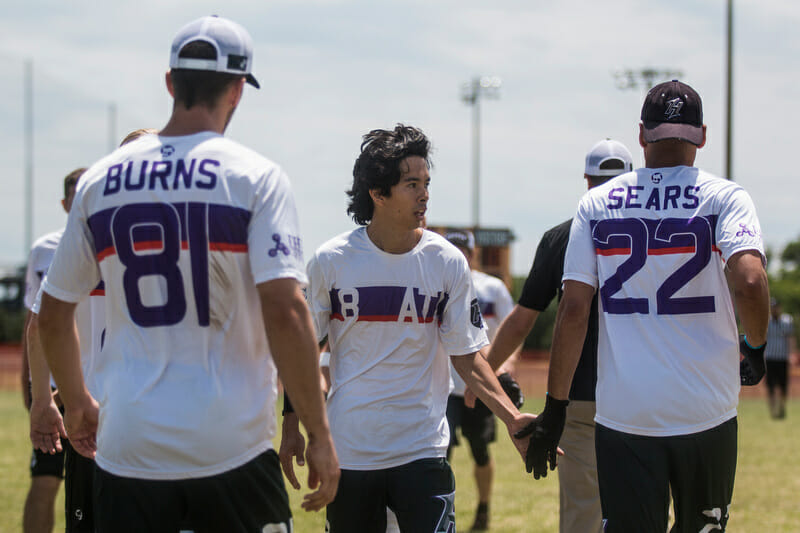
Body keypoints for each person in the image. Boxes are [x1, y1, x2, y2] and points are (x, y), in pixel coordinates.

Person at [36, 15, 338, 532]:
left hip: (127, 440)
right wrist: (319, 432)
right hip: (230, 443)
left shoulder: (100, 181)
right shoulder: (255, 178)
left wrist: (78, 398)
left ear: (171, 82)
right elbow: (286, 312)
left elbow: (54, 310)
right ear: (239, 90)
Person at [518, 80, 770, 532]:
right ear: (703, 136)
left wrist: (555, 409)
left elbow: (574, 310)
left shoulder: (596, 204)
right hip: (705, 410)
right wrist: (754, 345)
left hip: (625, 415)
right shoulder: (726, 197)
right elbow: (750, 281)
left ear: (641, 135)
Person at [295, 124, 533, 532]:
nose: (424, 194)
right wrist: (294, 428)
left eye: (426, 182)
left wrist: (512, 418)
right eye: (411, 184)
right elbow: (304, 353)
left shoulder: (446, 261)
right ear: (378, 193)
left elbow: (467, 356)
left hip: (422, 450)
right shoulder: (330, 261)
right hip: (351, 453)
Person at [485, 138, 633, 533]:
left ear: (587, 180)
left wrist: (483, 370)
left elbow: (522, 318)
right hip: (644, 391)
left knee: (584, 513)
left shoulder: (562, 237)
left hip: (580, 396)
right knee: (645, 507)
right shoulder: (654, 234)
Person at [27, 129, 158, 533]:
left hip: (90, 417)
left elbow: (42, 324)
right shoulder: (190, 234)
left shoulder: (82, 235)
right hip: (163, 418)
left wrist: (43, 400)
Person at [443, 229, 522, 531]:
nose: (459, 254)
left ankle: (483, 508)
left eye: (463, 249)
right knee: (439, 451)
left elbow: (510, 330)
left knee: (480, 450)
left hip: (480, 383)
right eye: (453, 248)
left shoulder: (493, 288)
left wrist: (504, 369)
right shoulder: (437, 283)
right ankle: (442, 507)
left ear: (473, 253)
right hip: (446, 386)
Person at [20, 167, 84, 533]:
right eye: (76, 198)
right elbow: (36, 320)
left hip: (94, 390)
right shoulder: (45, 249)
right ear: (64, 203)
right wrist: (35, 392)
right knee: (45, 482)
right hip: (57, 392)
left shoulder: (113, 245)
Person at [765, 297, 795, 419]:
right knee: (770, 386)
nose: (774, 309)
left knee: (783, 385)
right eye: (772, 307)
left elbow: (791, 339)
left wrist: (791, 354)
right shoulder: (766, 321)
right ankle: (773, 412)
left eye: (776, 307)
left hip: (782, 358)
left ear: (779, 308)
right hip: (770, 358)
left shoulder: (787, 321)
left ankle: (782, 409)